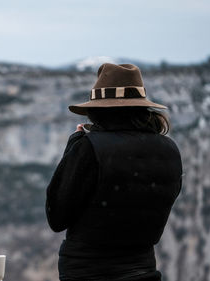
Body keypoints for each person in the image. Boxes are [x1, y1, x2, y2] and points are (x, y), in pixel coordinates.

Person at [45, 63, 183, 281]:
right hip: (142, 270)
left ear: (97, 110)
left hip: (89, 272)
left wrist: (74, 146)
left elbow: (57, 216)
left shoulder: (89, 148)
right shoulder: (170, 149)